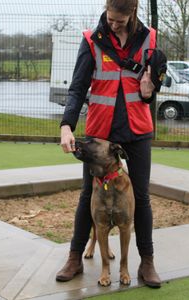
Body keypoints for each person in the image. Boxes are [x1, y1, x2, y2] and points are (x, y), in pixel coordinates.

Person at [56, 0, 166, 288]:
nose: (113, 24)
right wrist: (67, 125)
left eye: (120, 20)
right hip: (100, 132)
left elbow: (151, 84)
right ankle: (74, 257)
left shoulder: (149, 38)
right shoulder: (92, 40)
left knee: (141, 197)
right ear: (106, 9)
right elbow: (78, 87)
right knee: (86, 195)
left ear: (132, 13)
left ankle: (147, 262)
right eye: (110, 18)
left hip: (137, 128)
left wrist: (149, 91)